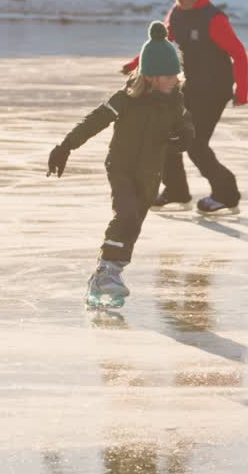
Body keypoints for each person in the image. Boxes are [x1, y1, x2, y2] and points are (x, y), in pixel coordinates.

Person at [49, 21, 194, 307]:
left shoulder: (175, 101)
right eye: (170, 75)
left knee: (134, 224)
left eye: (176, 75)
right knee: (125, 214)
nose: (176, 80)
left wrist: (184, 138)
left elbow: (186, 129)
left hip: (151, 173)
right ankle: (106, 272)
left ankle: (111, 273)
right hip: (122, 168)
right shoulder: (126, 99)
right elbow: (95, 121)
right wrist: (66, 146)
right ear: (151, 76)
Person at [121, 0, 248, 216]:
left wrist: (241, 91)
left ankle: (227, 194)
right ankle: (177, 191)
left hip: (215, 89)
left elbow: (239, 53)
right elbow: (161, 43)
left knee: (196, 145)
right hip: (190, 87)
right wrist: (134, 64)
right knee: (167, 138)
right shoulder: (177, 14)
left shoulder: (213, 18)